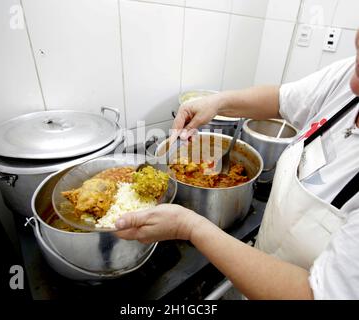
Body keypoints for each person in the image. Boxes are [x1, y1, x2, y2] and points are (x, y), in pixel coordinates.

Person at [115, 30, 359, 300]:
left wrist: (191, 227)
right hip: (259, 261)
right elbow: (282, 100)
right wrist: (219, 102)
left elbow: (318, 295)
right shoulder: (349, 75)